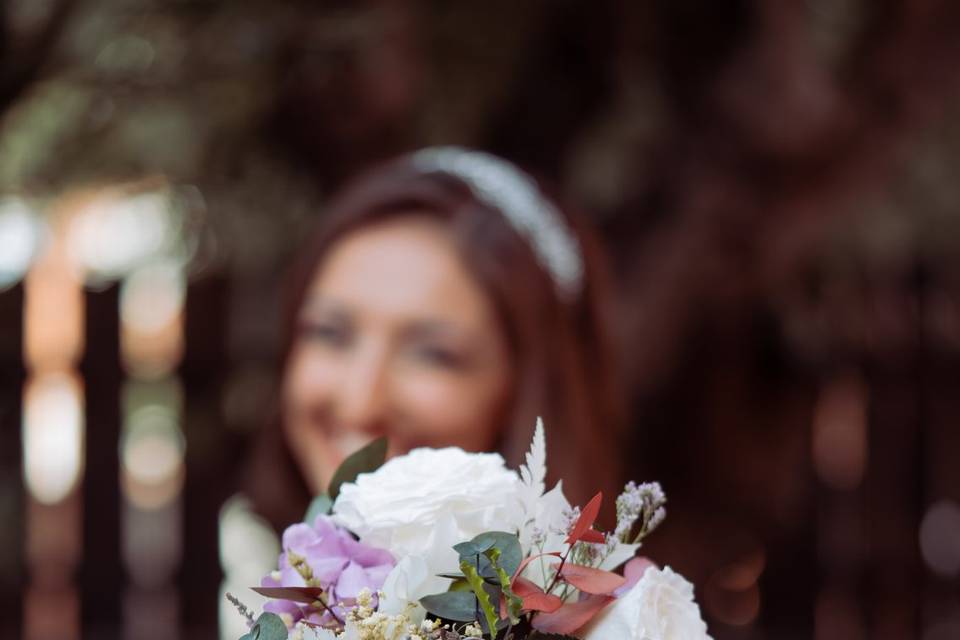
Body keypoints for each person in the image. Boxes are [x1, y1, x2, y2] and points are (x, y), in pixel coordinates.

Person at [246, 146, 624, 532]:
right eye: (330, 333)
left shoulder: (600, 591)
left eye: (432, 355)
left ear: (527, 386)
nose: (360, 404)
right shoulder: (243, 567)